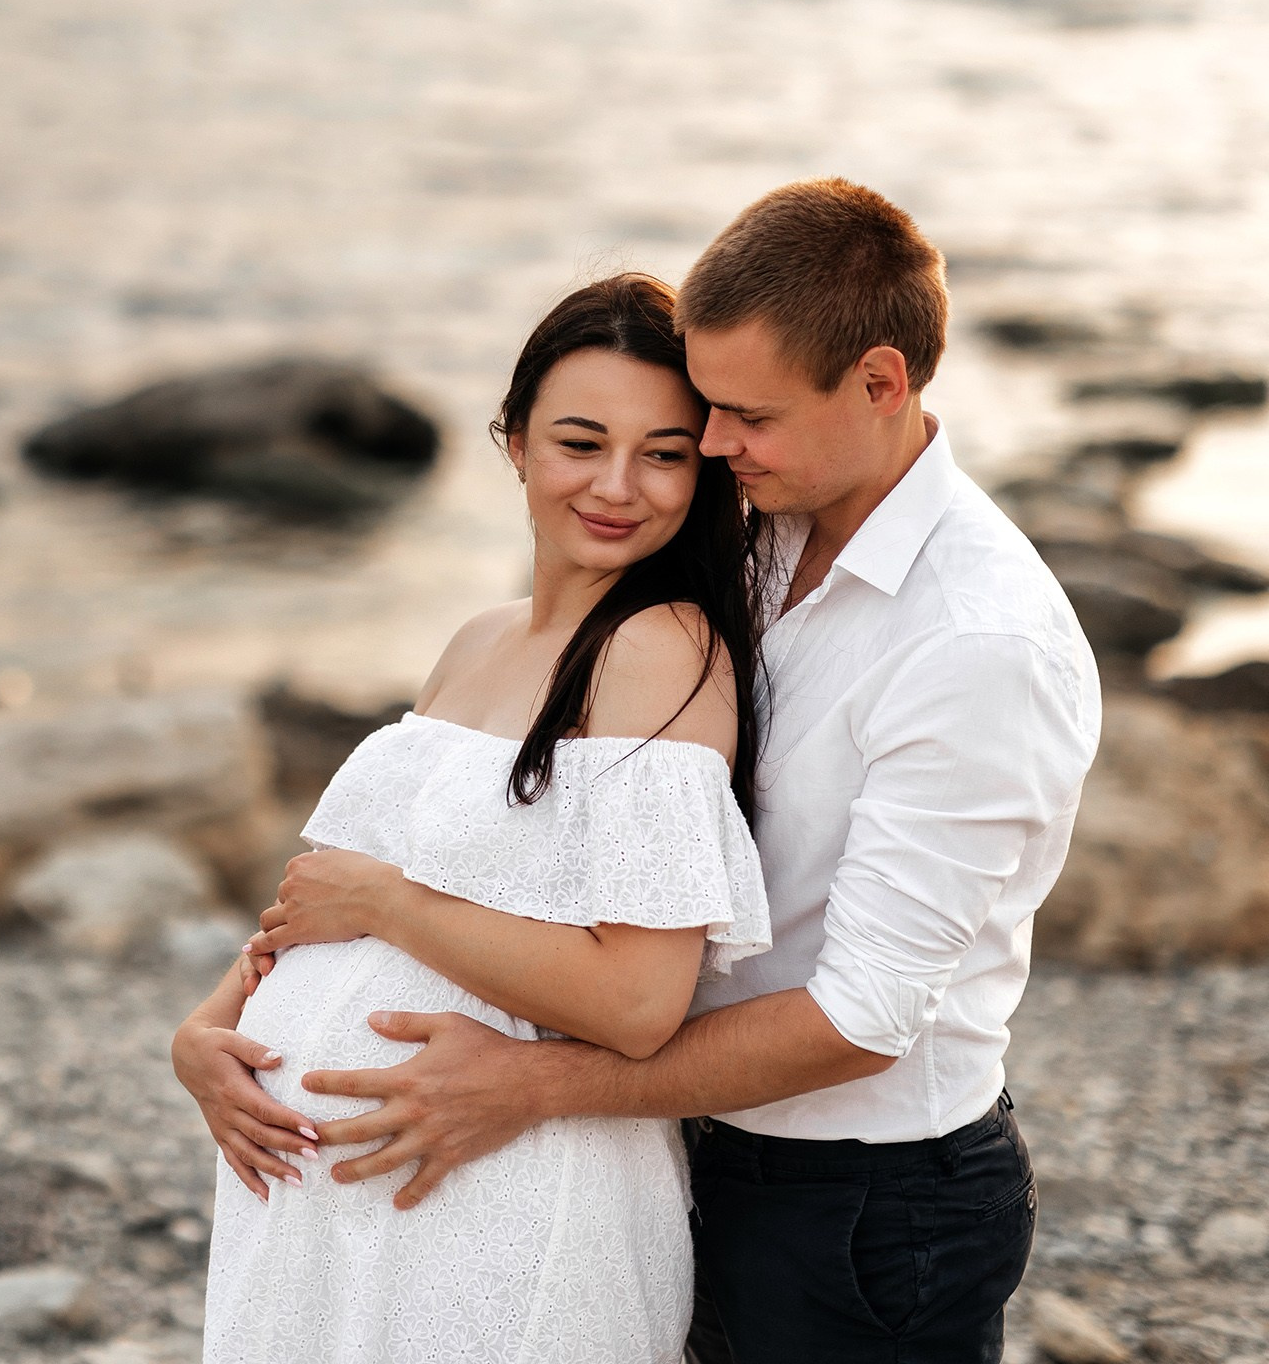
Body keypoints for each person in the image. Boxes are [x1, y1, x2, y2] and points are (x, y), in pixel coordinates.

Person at [274, 180, 1102, 1363]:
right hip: (685, 1144)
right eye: (705, 410)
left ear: (881, 383)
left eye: (745, 416)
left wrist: (535, 1084)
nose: (712, 447)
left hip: (861, 1203)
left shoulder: (977, 644)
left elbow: (860, 1018)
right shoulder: (757, 533)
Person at [173, 272, 775, 1362]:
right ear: (514, 442)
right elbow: (320, 900)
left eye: (665, 453)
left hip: (502, 1208)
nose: (618, 486)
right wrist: (206, 1033)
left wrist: (395, 907)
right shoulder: (477, 639)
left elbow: (640, 1000)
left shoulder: (662, 651)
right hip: (318, 1207)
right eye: (580, 442)